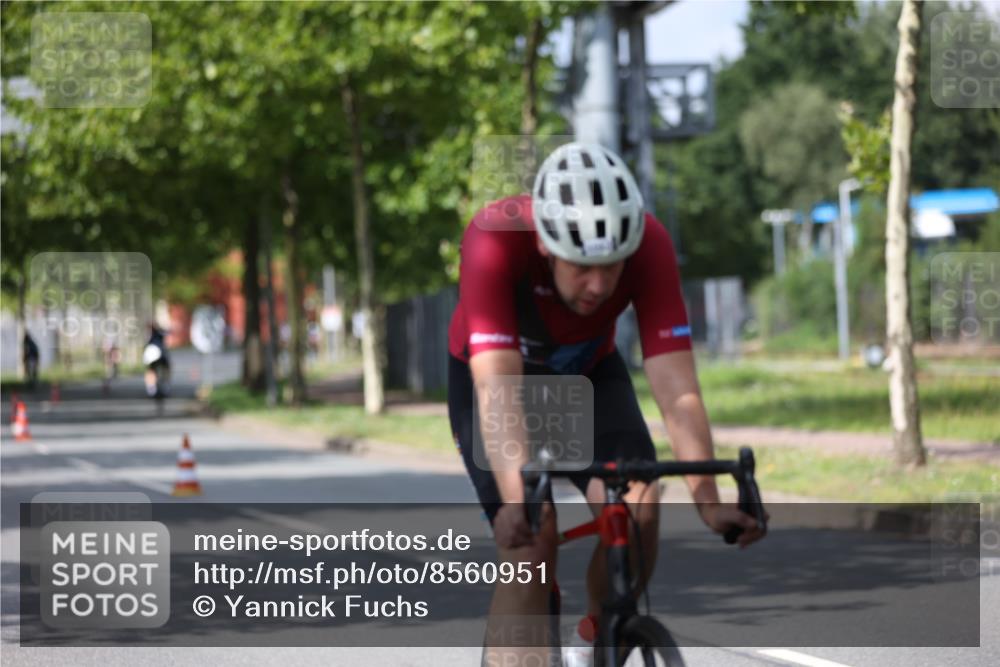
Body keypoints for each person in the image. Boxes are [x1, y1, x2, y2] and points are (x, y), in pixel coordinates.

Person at [446, 142, 766, 665]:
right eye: (582, 267)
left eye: (612, 267)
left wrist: (708, 500)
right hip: (496, 379)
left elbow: (678, 388)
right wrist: (515, 500)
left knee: (639, 504)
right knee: (531, 540)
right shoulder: (493, 240)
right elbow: (498, 385)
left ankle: (594, 643)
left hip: (586, 372)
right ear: (547, 246)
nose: (598, 285)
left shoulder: (651, 244)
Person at [142, 324, 171, 398]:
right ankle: (153, 387)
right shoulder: (154, 334)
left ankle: (156, 387)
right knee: (152, 370)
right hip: (154, 355)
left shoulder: (157, 333)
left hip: (157, 355)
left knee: (159, 369)